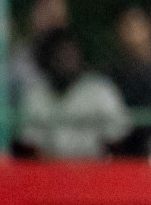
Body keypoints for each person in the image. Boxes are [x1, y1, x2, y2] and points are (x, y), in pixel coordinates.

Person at [17, 27, 132, 160]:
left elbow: (118, 138)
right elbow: (29, 144)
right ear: (47, 60)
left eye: (69, 54)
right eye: (58, 56)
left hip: (94, 171)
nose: (65, 61)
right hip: (48, 172)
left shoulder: (100, 90)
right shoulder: (35, 94)